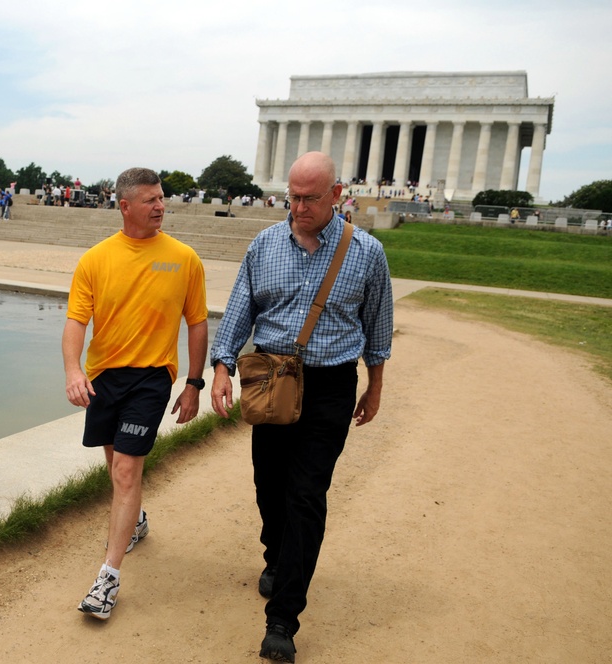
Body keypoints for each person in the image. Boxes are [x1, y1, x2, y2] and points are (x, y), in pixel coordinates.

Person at [209, 152, 393, 662]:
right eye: (293, 196)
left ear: (337, 195)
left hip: (331, 385)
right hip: (271, 378)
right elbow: (240, 309)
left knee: (306, 495)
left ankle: (284, 619)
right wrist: (222, 366)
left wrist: (374, 386)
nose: (299, 206)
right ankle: (277, 555)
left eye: (311, 197)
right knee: (268, 485)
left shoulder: (367, 253)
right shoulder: (265, 244)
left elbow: (377, 328)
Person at [63, 167, 209, 621]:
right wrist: (73, 370)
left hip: (152, 378)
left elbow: (197, 322)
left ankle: (107, 578)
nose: (160, 206)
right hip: (105, 377)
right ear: (124, 206)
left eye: (162, 198)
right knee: (115, 464)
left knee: (126, 470)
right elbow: (75, 323)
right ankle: (137, 519)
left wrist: (193, 382)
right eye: (150, 200)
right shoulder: (95, 259)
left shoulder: (184, 258)